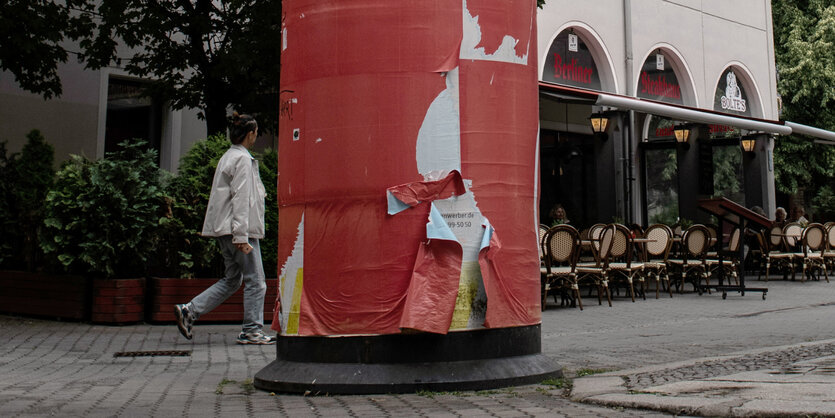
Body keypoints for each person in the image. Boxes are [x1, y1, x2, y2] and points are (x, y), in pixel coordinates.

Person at [175, 113, 275, 345]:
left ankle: (189, 311)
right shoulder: (242, 160)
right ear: (250, 134)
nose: (256, 136)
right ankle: (251, 331)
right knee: (256, 280)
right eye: (256, 133)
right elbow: (241, 198)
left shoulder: (228, 157)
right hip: (239, 231)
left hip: (225, 230)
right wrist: (242, 235)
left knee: (233, 279)